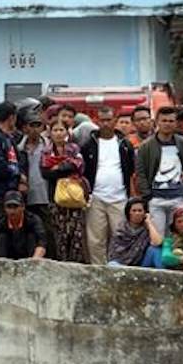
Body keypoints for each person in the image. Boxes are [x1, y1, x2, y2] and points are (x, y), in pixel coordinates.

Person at [136, 106, 183, 236]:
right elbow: (140, 173)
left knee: (178, 237)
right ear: (156, 122)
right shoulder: (146, 146)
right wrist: (148, 196)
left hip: (178, 198)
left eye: (171, 121)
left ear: (175, 123)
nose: (167, 124)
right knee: (157, 237)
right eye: (164, 121)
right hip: (156, 199)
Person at [82, 107, 135, 264]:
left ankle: (118, 269)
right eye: (102, 120)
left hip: (119, 197)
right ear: (96, 121)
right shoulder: (88, 145)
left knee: (119, 238)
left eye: (108, 120)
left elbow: (132, 171)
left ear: (114, 121)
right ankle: (98, 271)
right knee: (96, 240)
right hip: (95, 198)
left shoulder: (125, 144)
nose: (105, 123)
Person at [40, 121, 88, 263]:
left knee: (76, 234)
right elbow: (45, 172)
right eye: (55, 130)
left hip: (74, 196)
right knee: (59, 235)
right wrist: (66, 165)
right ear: (50, 132)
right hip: (56, 197)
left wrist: (58, 166)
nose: (58, 133)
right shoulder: (46, 151)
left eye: (61, 130)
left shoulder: (74, 148)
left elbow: (79, 166)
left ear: (67, 132)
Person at [17, 112, 54, 258]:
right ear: (25, 127)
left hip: (46, 196)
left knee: (48, 233)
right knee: (30, 234)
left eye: (38, 125)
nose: (34, 129)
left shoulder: (49, 147)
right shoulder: (19, 148)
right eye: (31, 125)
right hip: (26, 197)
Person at [0, 191, 46, 260]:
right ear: (4, 208)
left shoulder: (33, 220)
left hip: (27, 252)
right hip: (7, 253)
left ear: (23, 207)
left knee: (31, 237)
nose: (12, 211)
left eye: (15, 207)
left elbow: (42, 241)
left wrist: (35, 259)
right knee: (1, 237)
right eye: (9, 207)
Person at [107, 198, 163, 268]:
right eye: (134, 211)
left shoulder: (148, 228)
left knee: (155, 250)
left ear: (145, 213)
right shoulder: (120, 229)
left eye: (140, 211)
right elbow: (114, 255)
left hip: (141, 264)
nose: (137, 213)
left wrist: (149, 222)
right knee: (112, 265)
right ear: (129, 213)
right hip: (121, 263)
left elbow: (157, 243)